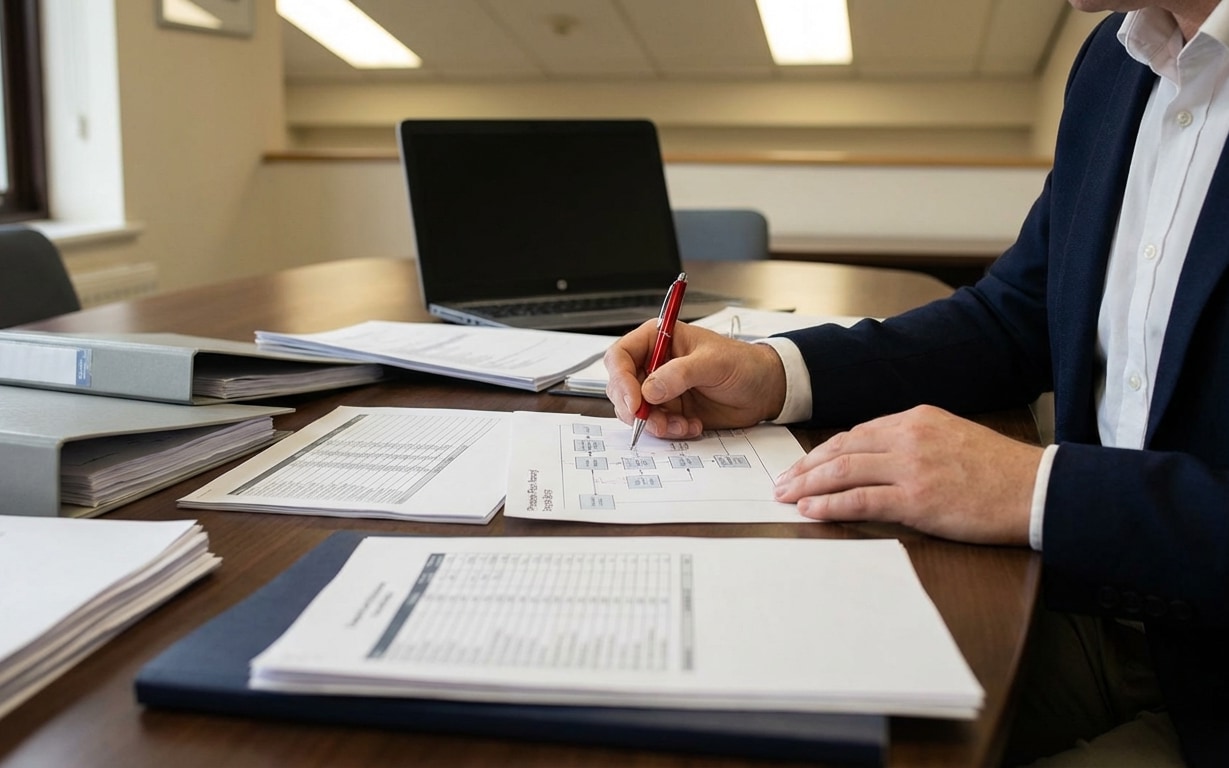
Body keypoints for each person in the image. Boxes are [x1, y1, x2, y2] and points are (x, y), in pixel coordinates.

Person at [604, 2, 1229, 765]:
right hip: (1081, 605)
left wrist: (1037, 489)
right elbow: (1015, 317)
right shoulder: (1113, 60)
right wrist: (772, 373)